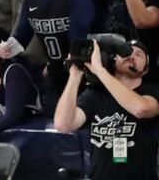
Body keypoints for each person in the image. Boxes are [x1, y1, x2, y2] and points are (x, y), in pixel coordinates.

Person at [0, 0, 96, 113]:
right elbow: (22, 36)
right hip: (53, 74)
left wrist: (72, 65)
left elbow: (79, 39)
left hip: (81, 73)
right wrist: (7, 48)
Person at [54, 39, 159, 180]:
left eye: (139, 54)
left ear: (145, 69)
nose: (131, 56)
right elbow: (63, 124)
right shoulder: (94, 94)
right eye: (125, 51)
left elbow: (141, 109)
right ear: (114, 59)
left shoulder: (152, 92)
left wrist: (100, 71)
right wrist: (75, 76)